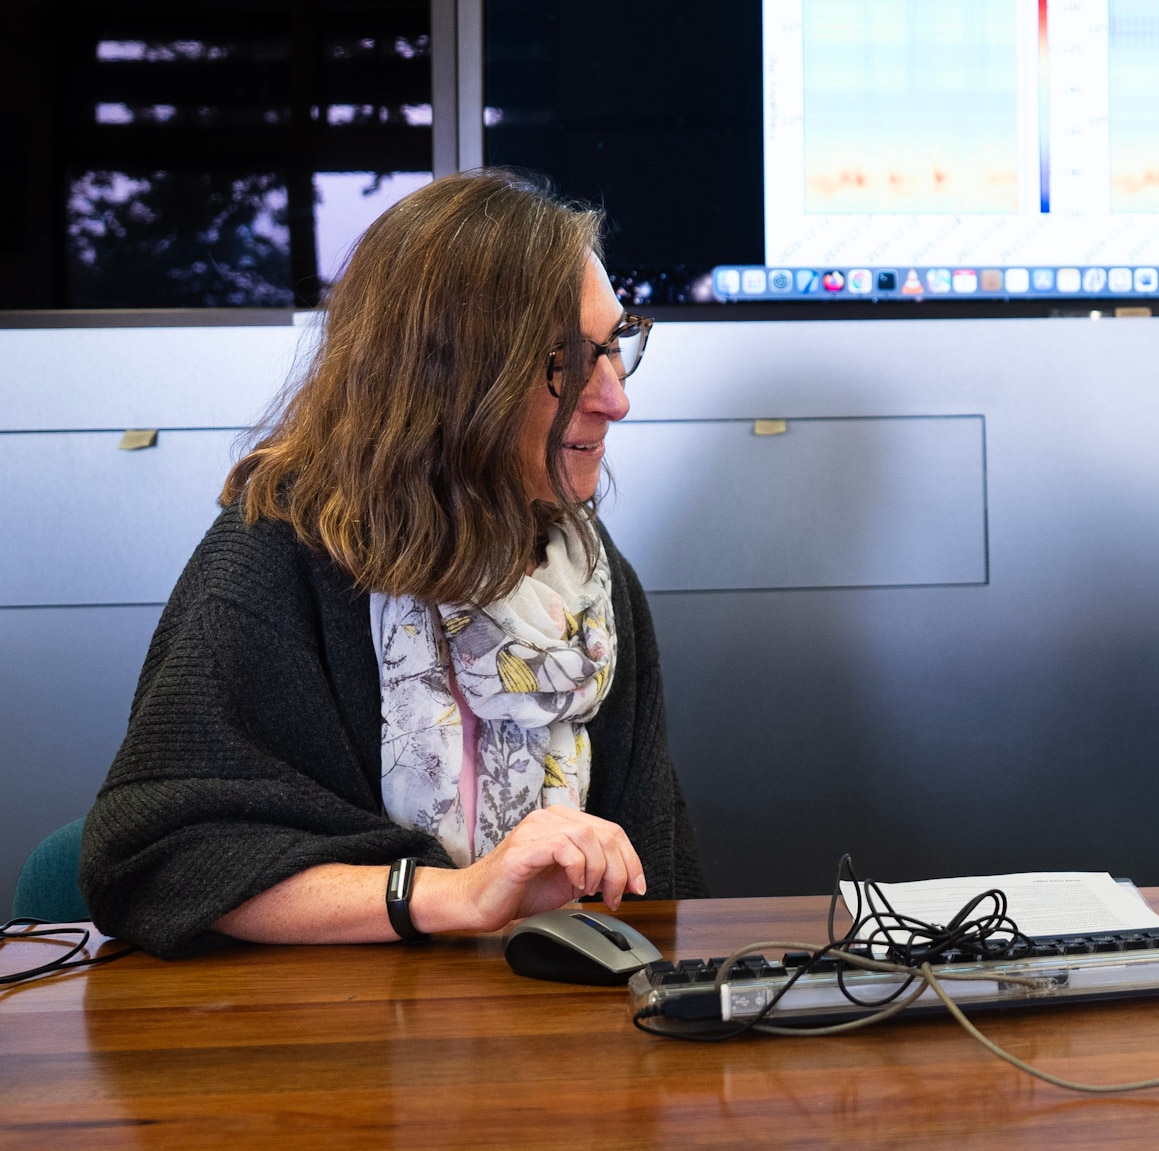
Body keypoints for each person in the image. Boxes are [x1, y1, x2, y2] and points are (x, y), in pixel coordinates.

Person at [81, 169, 707, 957]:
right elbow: (158, 859)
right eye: (567, 362)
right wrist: (459, 894)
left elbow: (659, 881)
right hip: (331, 1046)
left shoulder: (587, 579)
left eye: (616, 348)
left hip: (549, 1033)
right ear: (448, 380)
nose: (615, 398)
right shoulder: (278, 558)